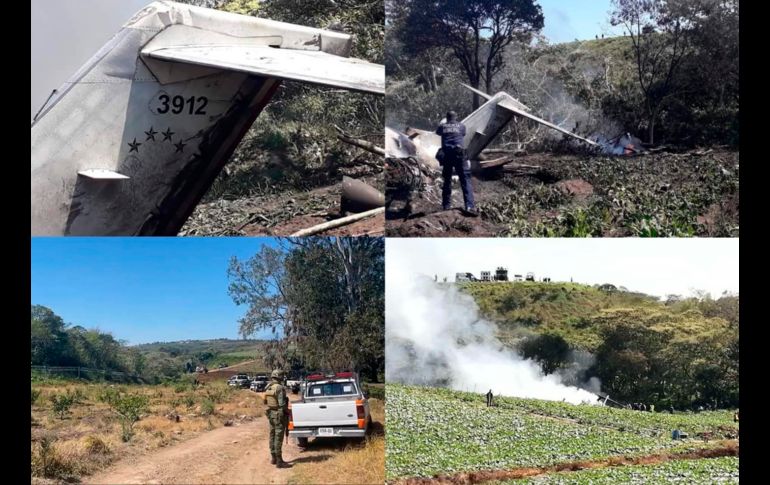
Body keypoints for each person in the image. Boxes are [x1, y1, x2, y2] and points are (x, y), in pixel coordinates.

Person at [436, 111, 477, 216]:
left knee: (447, 180)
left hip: (447, 156)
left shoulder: (443, 126)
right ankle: (470, 206)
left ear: (447, 118)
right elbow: (463, 134)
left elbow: (438, 132)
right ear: (456, 117)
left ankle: (446, 205)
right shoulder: (461, 126)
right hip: (459, 156)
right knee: (465, 180)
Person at [263, 369, 291, 468]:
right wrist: (288, 411)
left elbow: (265, 401)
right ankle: (279, 461)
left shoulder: (268, 387)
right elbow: (282, 404)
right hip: (279, 415)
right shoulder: (279, 388)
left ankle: (273, 458)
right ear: (280, 377)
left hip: (270, 414)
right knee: (278, 437)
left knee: (272, 435)